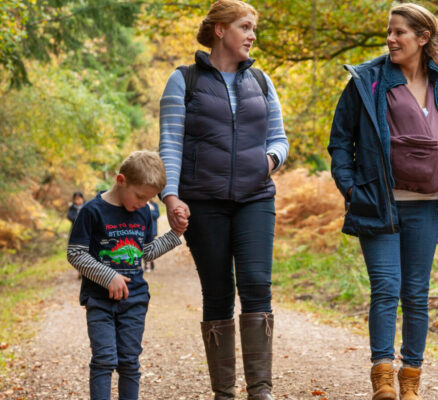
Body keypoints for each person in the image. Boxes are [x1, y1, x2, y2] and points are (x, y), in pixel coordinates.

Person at [328, 3, 438, 400]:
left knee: (416, 294)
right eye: (389, 31)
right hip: (378, 203)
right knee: (386, 288)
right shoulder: (368, 80)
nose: (390, 39)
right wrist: (350, 188)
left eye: (399, 32)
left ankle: (411, 378)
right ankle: (382, 376)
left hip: (428, 205)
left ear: (423, 38)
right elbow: (340, 140)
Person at [158, 1, 289, 399]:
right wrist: (171, 196)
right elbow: (170, 144)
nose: (252, 35)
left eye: (254, 29)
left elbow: (280, 139)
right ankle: (224, 393)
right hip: (204, 201)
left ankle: (260, 390)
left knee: (256, 286)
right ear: (219, 30)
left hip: (255, 198)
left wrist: (268, 162)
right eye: (245, 27)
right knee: (217, 291)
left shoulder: (262, 82)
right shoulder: (184, 80)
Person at [67, 150, 187, 399]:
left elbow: (146, 252)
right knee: (103, 359)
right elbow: (75, 253)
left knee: (130, 361)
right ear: (121, 181)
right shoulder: (92, 211)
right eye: (140, 196)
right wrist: (107, 276)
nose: (143, 204)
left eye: (149, 199)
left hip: (135, 300)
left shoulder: (142, 212)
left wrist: (174, 235)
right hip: (99, 300)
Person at [144, 200, 160, 272]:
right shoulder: (142, 204)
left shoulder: (154, 205)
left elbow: (156, 215)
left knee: (150, 247)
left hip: (152, 230)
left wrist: (150, 209)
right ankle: (147, 265)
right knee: (144, 247)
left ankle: (151, 261)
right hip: (143, 230)